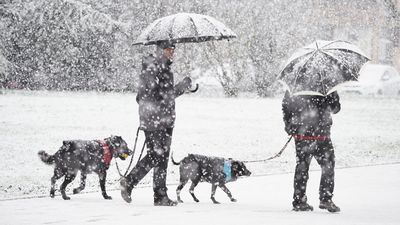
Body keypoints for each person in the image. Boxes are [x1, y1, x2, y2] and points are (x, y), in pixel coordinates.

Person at [120, 41, 193, 206]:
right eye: (168, 49)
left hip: (164, 120)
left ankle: (159, 196)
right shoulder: (153, 69)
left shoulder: (163, 69)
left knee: (161, 157)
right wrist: (182, 86)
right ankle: (133, 182)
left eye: (172, 49)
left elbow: (160, 96)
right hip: (156, 120)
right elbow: (155, 97)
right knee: (157, 155)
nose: (171, 52)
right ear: (160, 50)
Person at [282, 90, 341, 213]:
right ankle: (326, 198)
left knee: (302, 168)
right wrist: (331, 99)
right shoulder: (327, 87)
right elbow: (335, 108)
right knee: (328, 166)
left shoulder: (295, 86)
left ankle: (299, 201)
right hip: (321, 134)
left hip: (302, 135)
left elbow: (286, 106)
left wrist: (289, 125)